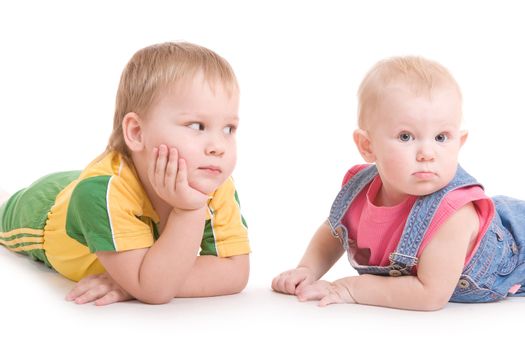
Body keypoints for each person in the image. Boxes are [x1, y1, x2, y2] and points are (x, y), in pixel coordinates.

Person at [0, 42, 250, 305]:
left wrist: (140, 280)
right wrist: (148, 277)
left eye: (229, 129)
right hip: (43, 212)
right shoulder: (99, 192)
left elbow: (235, 272)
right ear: (137, 132)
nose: (218, 147)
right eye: (197, 125)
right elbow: (155, 289)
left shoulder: (213, 182)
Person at [272, 56, 525, 311]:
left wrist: (348, 287)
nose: (427, 152)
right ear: (367, 146)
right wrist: (308, 268)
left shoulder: (454, 214)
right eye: (406, 136)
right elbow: (335, 231)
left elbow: (430, 295)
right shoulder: (358, 190)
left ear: (459, 143)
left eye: (441, 137)